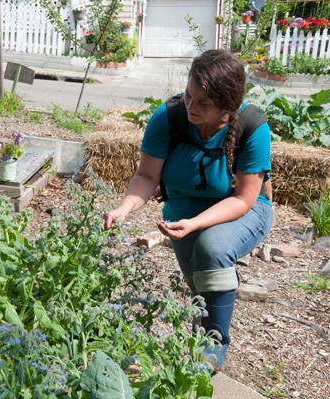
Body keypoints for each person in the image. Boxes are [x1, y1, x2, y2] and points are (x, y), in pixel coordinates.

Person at [103, 49, 273, 372]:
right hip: (183, 210)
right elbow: (147, 176)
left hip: (245, 210)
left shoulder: (253, 128)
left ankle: (212, 352)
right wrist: (123, 209)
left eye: (203, 103)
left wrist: (195, 224)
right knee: (201, 283)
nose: (191, 106)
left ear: (228, 107)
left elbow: (244, 199)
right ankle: (202, 341)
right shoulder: (169, 118)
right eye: (188, 95)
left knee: (213, 248)